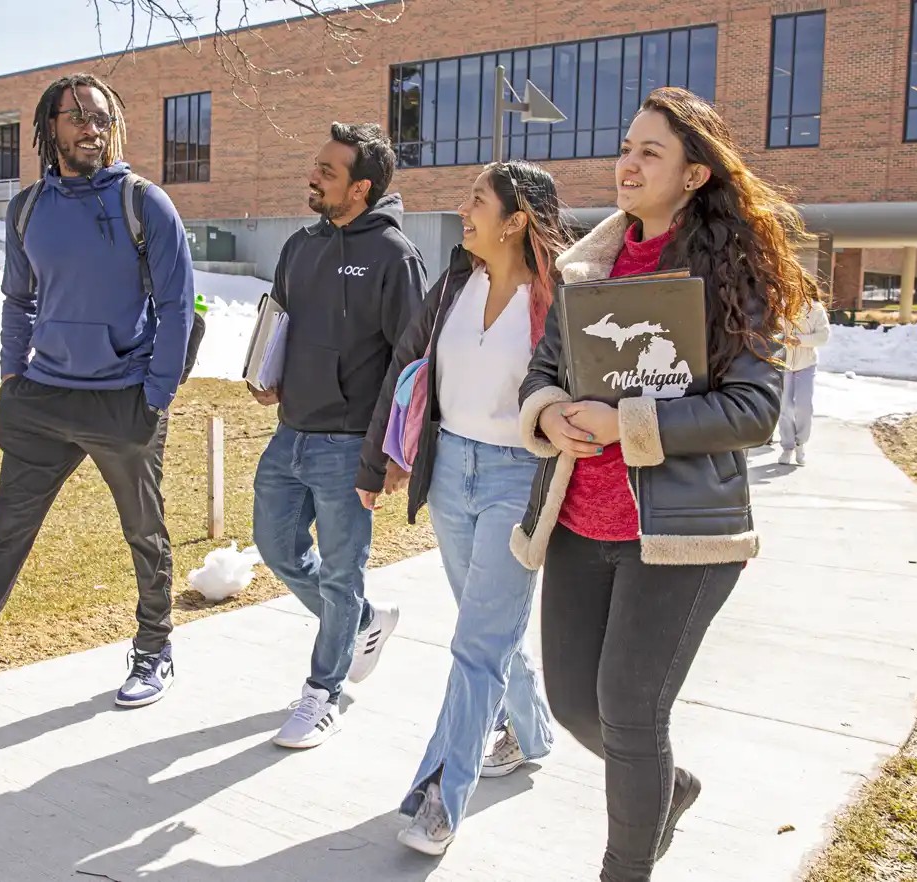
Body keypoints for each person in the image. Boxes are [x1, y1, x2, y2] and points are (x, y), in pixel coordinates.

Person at [512, 86, 814, 881]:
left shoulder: (733, 271)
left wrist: (626, 424)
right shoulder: (587, 267)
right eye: (626, 147)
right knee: (576, 705)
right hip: (581, 521)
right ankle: (667, 791)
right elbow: (541, 375)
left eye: (652, 151)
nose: (628, 163)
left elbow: (753, 408)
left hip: (680, 533)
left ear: (694, 175)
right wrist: (550, 418)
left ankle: (625, 867)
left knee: (631, 712)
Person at [0, 74, 194, 715]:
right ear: (48, 126)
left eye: (102, 115)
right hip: (43, 398)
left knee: (144, 531)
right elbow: (19, 301)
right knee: (5, 534)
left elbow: (177, 307)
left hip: (121, 398)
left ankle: (153, 649)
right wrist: (10, 376)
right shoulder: (26, 208)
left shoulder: (146, 203)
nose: (91, 126)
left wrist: (156, 396)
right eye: (77, 115)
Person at [361, 161, 571, 855]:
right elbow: (407, 363)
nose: (463, 210)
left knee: (476, 644)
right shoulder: (455, 281)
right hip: (450, 470)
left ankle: (439, 795)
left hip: (519, 475)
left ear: (516, 220)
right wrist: (381, 460)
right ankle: (531, 732)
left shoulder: (558, 297)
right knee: (485, 630)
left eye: (477, 200)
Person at [251, 122, 427, 750]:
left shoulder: (394, 256)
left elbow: (412, 362)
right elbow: (280, 318)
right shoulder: (300, 245)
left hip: (348, 444)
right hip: (290, 431)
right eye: (316, 165)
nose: (313, 176)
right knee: (273, 547)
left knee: (341, 570)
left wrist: (393, 452)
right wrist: (263, 372)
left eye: (328, 171)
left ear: (361, 187)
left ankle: (322, 692)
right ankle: (361, 621)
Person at [778, 296, 829, 466]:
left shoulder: (815, 309)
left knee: (803, 406)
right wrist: (780, 338)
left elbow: (823, 336)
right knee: (784, 407)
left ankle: (800, 443)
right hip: (784, 363)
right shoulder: (781, 305)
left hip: (806, 364)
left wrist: (800, 340)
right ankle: (787, 447)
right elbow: (772, 329)